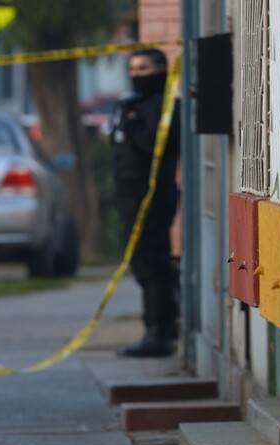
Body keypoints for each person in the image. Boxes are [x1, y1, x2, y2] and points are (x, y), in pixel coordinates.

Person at [110, 48, 181, 358]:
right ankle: (159, 324)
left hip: (153, 197)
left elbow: (154, 145)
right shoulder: (133, 106)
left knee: (153, 265)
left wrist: (132, 122)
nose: (136, 75)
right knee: (141, 266)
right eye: (132, 69)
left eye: (143, 69)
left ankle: (159, 333)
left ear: (161, 71)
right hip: (129, 197)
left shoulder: (165, 107)